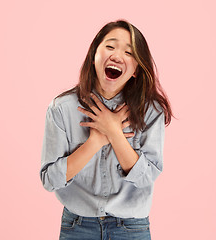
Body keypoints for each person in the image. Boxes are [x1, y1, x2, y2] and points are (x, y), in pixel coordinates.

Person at [40, 19, 173, 240]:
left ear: (136, 70)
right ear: (94, 56)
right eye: (110, 46)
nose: (117, 56)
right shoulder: (62, 109)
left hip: (131, 228)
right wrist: (95, 141)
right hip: (77, 227)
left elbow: (146, 178)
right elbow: (50, 180)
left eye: (129, 53)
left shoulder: (151, 111)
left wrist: (114, 132)